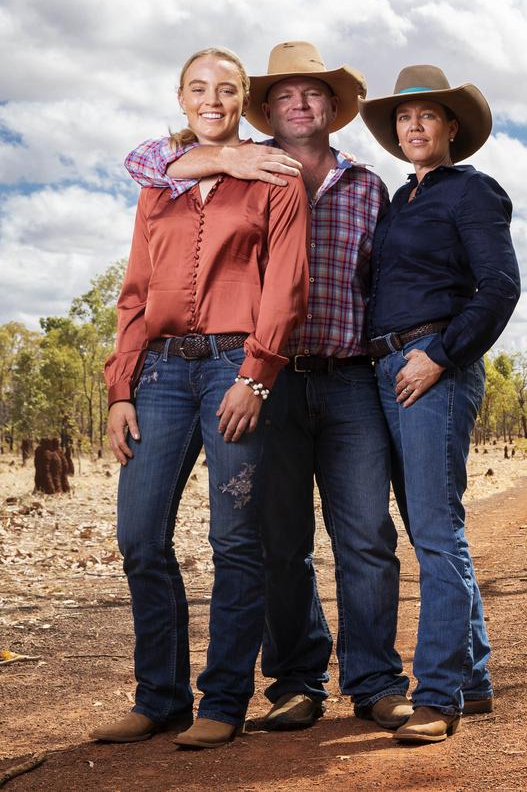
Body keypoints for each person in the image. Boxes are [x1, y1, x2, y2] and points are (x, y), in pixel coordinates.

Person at [123, 41, 413, 732]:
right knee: (279, 537)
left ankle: (372, 680)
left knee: (365, 535)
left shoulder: (362, 186)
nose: (301, 104)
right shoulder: (222, 169)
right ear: (269, 109)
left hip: (334, 379)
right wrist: (223, 155)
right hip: (260, 379)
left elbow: (375, 285)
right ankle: (296, 681)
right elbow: (141, 168)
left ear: (334, 108)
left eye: (314, 94)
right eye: (285, 95)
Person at [92, 47, 309, 749]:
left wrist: (257, 373)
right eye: (197, 88)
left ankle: (224, 699)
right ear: (181, 97)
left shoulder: (275, 174)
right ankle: (160, 696)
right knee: (139, 536)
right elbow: (134, 290)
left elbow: (288, 283)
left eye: (225, 89)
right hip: (158, 373)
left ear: (242, 99)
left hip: (232, 366)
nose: (210, 99)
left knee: (234, 539)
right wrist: (120, 386)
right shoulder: (160, 182)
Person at [359, 65, 520, 744]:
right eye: (403, 117)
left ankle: (439, 693)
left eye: (427, 114)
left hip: (434, 367)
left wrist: (442, 354)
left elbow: (500, 286)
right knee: (427, 524)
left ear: (452, 127)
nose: (413, 125)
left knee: (435, 528)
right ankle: (475, 678)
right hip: (387, 368)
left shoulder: (473, 192)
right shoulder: (397, 203)